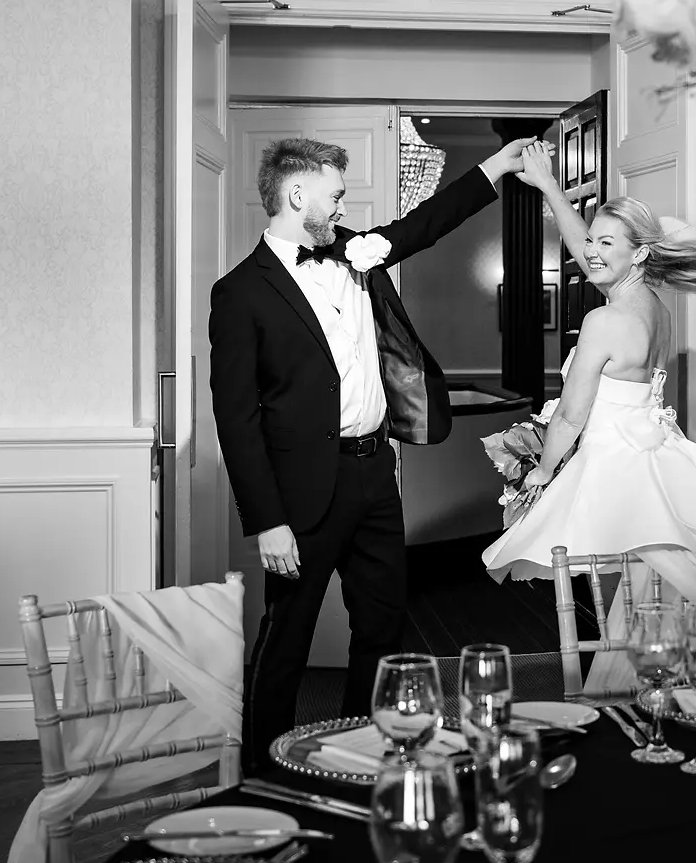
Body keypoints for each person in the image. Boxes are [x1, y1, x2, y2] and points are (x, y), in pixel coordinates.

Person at [211, 133, 537, 773]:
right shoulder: (241, 292)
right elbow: (237, 420)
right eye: (334, 195)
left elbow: (429, 223)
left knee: (383, 631)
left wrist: (498, 166)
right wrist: (268, 521)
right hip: (303, 494)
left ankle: (363, 756)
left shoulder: (358, 252)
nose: (342, 207)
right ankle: (264, 776)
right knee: (287, 639)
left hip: (376, 476)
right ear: (296, 194)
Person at [482, 141, 696, 687]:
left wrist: (540, 473)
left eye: (606, 243)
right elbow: (596, 256)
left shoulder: (605, 322)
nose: (591, 252)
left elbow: (571, 417)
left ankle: (637, 695)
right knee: (648, 596)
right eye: (592, 240)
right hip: (657, 458)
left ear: (638, 255)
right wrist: (549, 188)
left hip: (617, 467)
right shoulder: (655, 308)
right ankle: (672, 689)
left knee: (626, 597)